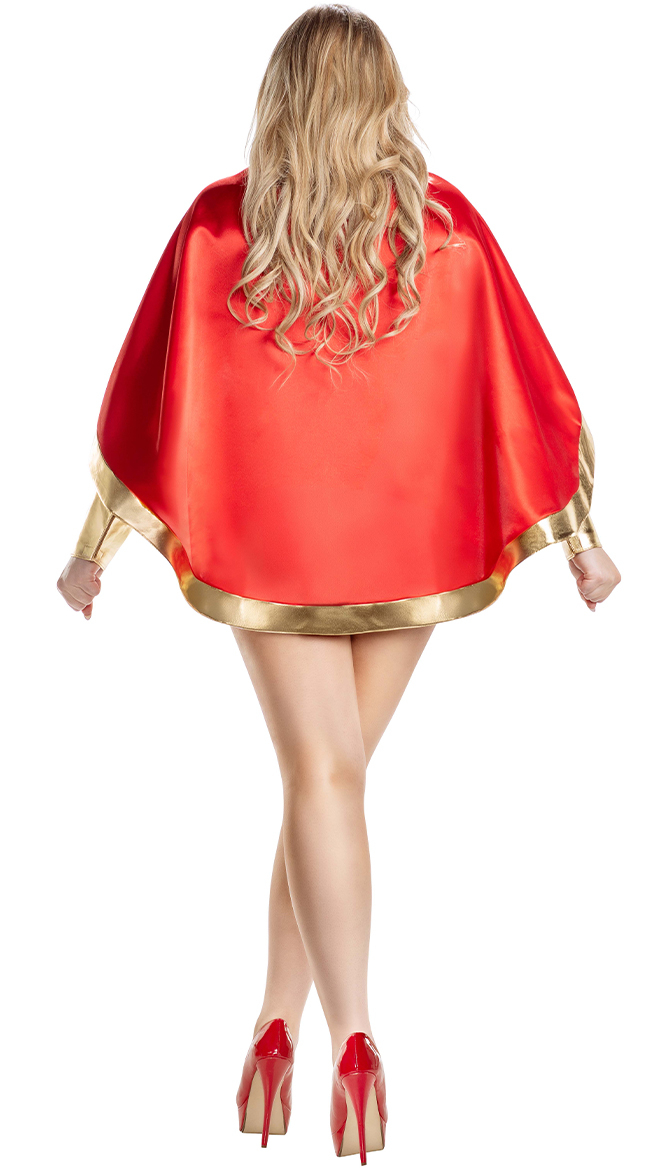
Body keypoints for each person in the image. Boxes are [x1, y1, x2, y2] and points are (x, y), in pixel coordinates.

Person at [56, 4, 621, 1163]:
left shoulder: (220, 230)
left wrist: (94, 547)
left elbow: (145, 399)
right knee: (334, 776)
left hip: (270, 547)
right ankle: (338, 1035)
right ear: (382, 102)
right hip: (407, 541)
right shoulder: (441, 231)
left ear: (281, 100)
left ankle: (295, 1025)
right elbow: (523, 388)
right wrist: (579, 540)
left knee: (323, 777)